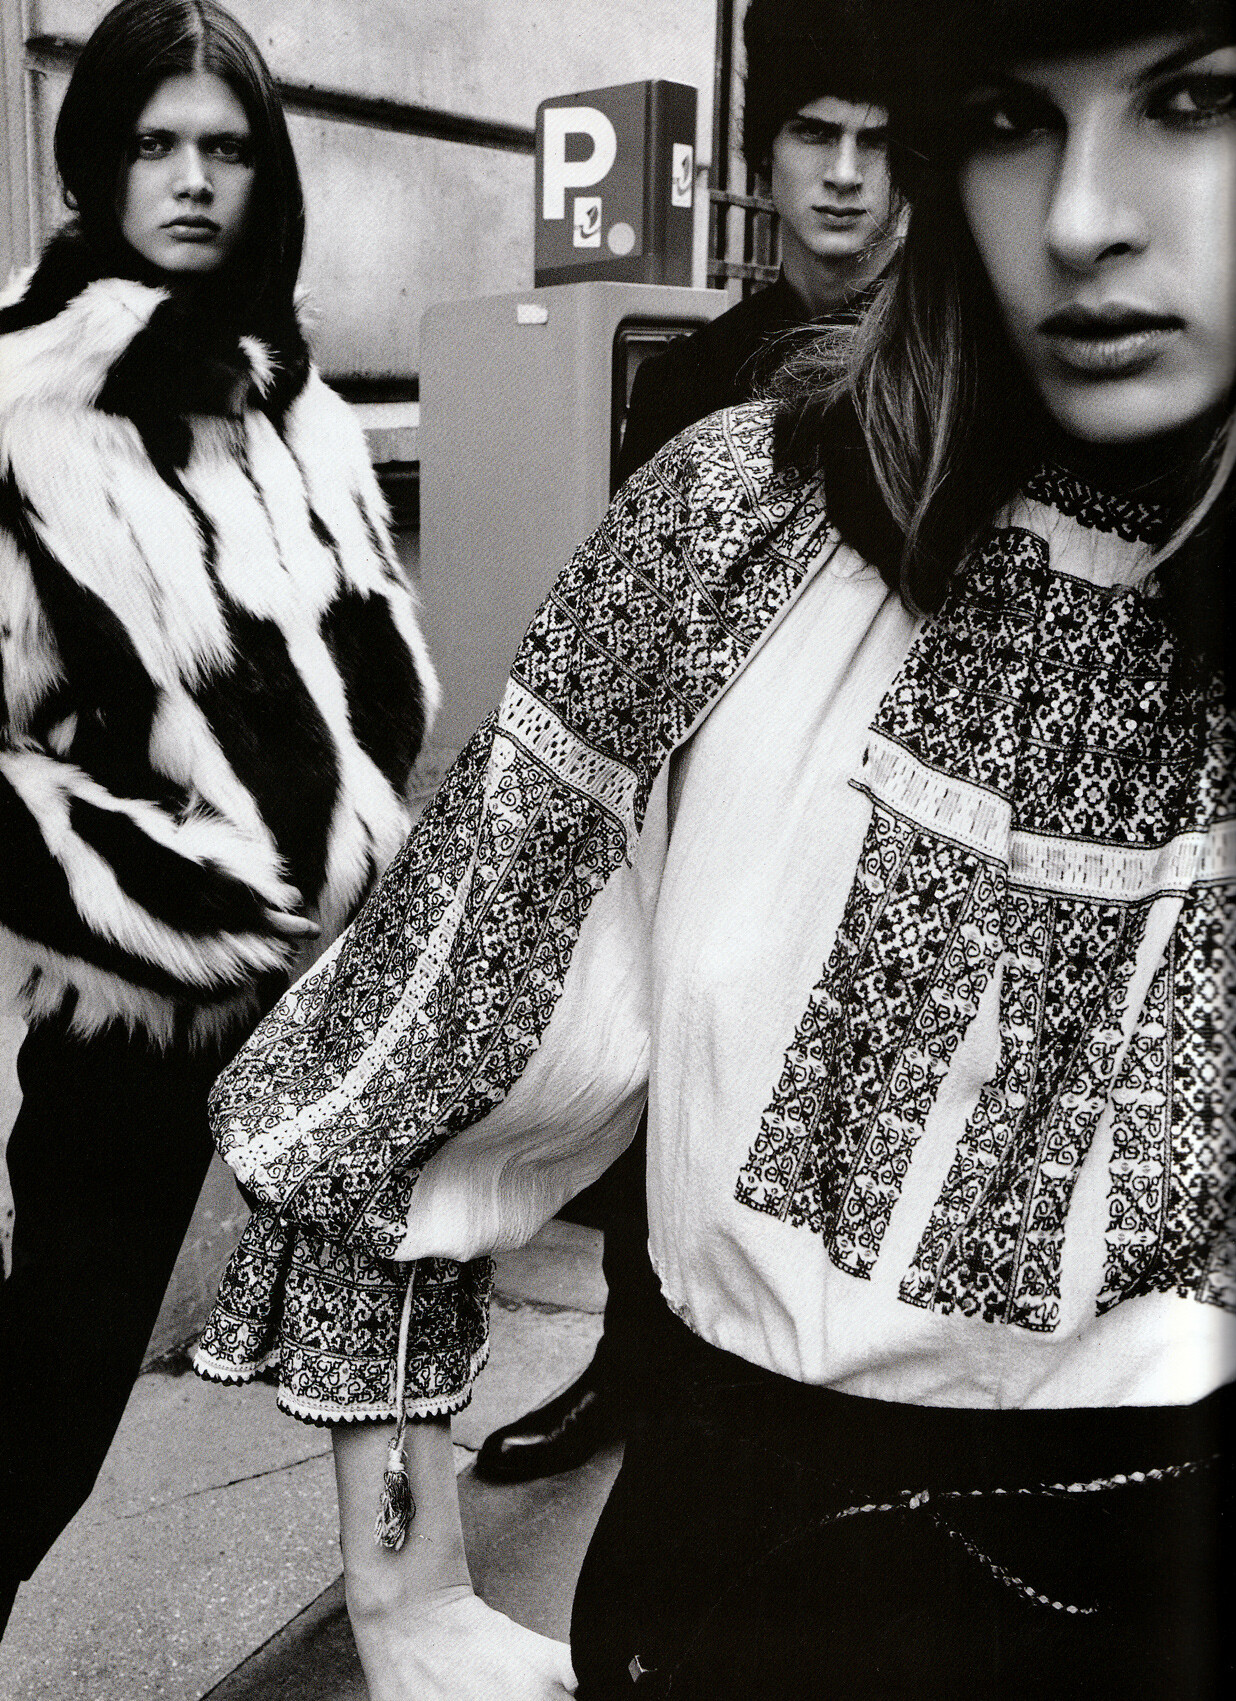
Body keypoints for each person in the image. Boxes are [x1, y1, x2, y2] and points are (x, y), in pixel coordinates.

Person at [197, 0, 1234, 1697]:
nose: (1081, 218)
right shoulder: (737, 525)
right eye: (1009, 117)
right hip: (748, 1588)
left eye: (1194, 100)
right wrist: (406, 1596)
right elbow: (406, 1068)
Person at [0, 0, 435, 1638]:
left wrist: (350, 849)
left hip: (321, 999)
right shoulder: (24, 408)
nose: (193, 179)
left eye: (228, 148)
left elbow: (375, 663)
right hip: (141, 1010)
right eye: (155, 142)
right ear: (93, 159)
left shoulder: (294, 402)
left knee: (393, 1351)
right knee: (44, 1414)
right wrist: (196, 902)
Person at [479, 0, 907, 1488]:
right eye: (814, 135)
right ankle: (636, 1363)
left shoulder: (963, 366)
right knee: (666, 1085)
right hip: (707, 804)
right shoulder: (691, 377)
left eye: (876, 142)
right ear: (761, 162)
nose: (844, 173)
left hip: (886, 812)